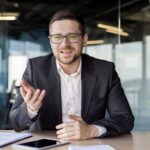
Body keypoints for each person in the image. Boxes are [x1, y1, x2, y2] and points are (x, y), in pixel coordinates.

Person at [9, 9, 134, 141]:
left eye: (72, 36)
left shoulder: (105, 71)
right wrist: (30, 109)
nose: (65, 44)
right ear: (51, 41)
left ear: (84, 39)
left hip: (88, 145)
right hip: (46, 145)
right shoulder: (35, 68)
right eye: (57, 37)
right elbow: (15, 122)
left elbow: (124, 118)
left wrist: (92, 130)